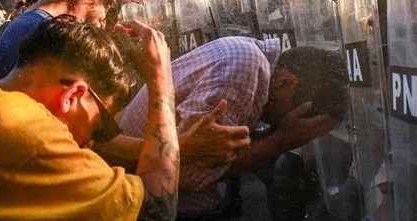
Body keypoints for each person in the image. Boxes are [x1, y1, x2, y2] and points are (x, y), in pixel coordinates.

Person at [118, 36, 350, 219]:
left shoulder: (251, 58)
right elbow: (184, 174)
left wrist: (276, 135)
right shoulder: (244, 72)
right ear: (287, 82)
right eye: (295, 116)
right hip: (141, 203)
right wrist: (281, 140)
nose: (285, 122)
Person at [0, 16, 179, 220]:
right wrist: (161, 79)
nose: (90, 145)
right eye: (101, 130)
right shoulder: (33, 134)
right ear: (73, 96)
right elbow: (158, 209)